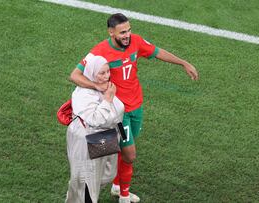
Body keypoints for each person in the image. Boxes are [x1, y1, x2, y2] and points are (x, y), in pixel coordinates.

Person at [69, 13, 199, 203]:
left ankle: (114, 185)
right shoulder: (99, 52)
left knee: (116, 152)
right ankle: (122, 196)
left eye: (129, 30)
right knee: (128, 154)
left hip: (136, 107)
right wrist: (97, 86)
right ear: (111, 32)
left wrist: (183, 63)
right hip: (119, 116)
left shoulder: (135, 42)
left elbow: (157, 51)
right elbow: (75, 75)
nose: (127, 35)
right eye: (122, 32)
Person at [65, 55, 125, 203]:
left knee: (107, 175)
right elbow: (95, 120)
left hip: (105, 137)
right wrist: (108, 99)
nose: (106, 76)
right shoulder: (83, 94)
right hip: (85, 139)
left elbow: (118, 112)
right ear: (91, 72)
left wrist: (122, 134)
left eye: (107, 72)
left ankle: (75, 196)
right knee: (86, 182)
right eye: (101, 73)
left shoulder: (107, 88)